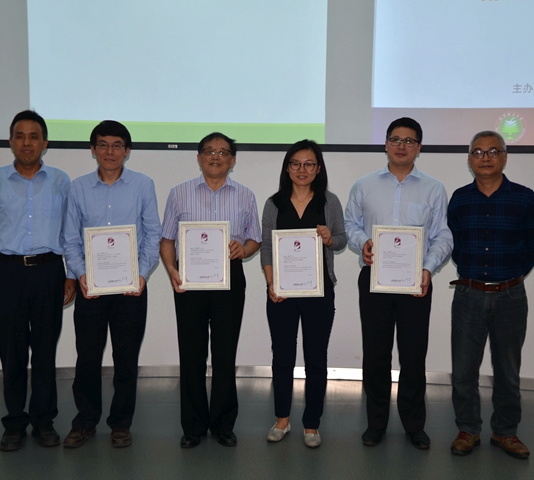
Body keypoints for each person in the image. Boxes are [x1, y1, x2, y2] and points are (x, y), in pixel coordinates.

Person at [344, 117, 453, 449]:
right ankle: (375, 423)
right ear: (386, 144)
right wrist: (362, 242)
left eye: (409, 141)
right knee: (376, 355)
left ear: (419, 147)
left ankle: (414, 425)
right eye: (395, 139)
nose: (401, 146)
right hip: (374, 280)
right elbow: (350, 224)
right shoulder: (364, 185)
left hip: (415, 282)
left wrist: (429, 269)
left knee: (413, 355)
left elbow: (443, 235)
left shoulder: (433, 188)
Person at [0, 110, 77, 451]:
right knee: (12, 352)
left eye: (34, 136)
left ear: (45, 143)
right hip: (8, 273)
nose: (27, 143)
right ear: (10, 142)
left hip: (49, 271)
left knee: (45, 351)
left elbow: (70, 233)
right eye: (20, 136)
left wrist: (71, 274)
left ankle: (44, 421)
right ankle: (15, 422)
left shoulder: (61, 180)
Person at [62, 120, 162, 448]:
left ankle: (121, 423)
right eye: (103, 144)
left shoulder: (143, 185)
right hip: (91, 289)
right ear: (92, 150)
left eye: (117, 145)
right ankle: (85, 421)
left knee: (126, 359)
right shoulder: (77, 188)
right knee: (88, 358)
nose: (110, 151)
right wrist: (81, 274)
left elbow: (152, 235)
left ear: (127, 151)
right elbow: (70, 238)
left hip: (131, 289)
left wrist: (142, 275)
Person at [160, 132, 261, 448]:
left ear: (233, 160)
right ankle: (192, 426)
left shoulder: (245, 195)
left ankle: (222, 425)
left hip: (229, 279)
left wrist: (243, 250)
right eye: (209, 151)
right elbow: (167, 240)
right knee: (191, 353)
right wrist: (172, 269)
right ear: (199, 157)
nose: (215, 156)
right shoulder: (179, 194)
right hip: (189, 281)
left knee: (225, 352)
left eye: (223, 152)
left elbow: (255, 239)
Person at [448, 131, 534, 459]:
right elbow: (454, 243)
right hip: (469, 294)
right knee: (463, 370)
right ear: (469, 160)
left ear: (504, 157)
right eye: (478, 152)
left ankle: (505, 432)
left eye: (493, 151)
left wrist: (508, 277)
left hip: (510, 295)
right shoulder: (460, 199)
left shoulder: (525, 198)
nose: (485, 158)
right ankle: (468, 429)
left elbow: (533, 246)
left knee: (507, 370)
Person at [260, 140, 346, 448]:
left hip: (319, 292)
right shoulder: (274, 203)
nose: (302, 169)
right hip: (282, 293)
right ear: (287, 168)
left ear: (318, 168)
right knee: (282, 356)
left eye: (309, 164)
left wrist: (329, 239)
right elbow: (267, 246)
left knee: (316, 358)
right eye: (295, 163)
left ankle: (312, 424)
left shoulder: (329, 202)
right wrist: (271, 284)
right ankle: (282, 419)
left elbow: (342, 239)